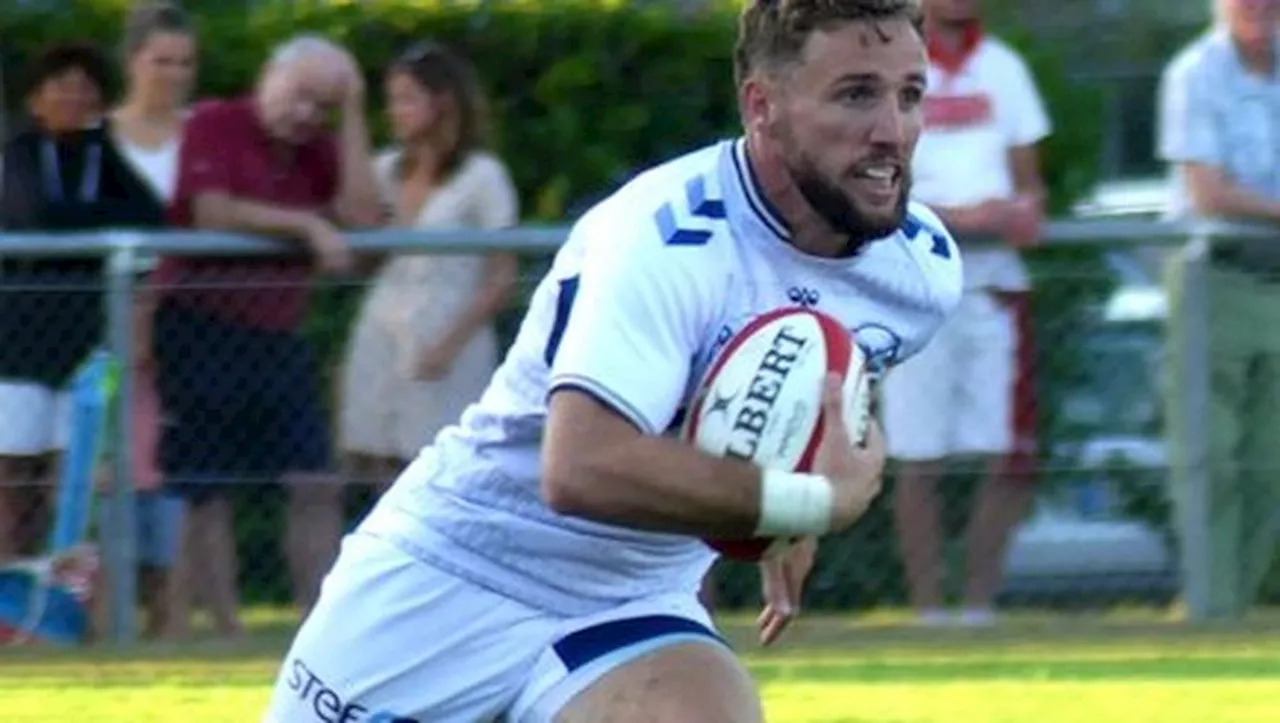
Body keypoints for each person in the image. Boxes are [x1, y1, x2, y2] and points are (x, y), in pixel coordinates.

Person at [263, 1, 962, 721]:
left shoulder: (920, 270)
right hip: (456, 571)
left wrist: (785, 500)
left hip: (630, 602)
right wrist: (807, 500)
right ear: (764, 106)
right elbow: (579, 466)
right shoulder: (665, 239)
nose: (892, 132)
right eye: (856, 95)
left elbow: (793, 399)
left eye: (909, 95)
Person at [149, 35, 382, 637]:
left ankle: (322, 625)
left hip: (279, 334)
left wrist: (354, 106)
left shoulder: (319, 147)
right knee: (207, 488)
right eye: (300, 95)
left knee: (316, 482)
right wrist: (304, 224)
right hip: (199, 326)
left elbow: (363, 218)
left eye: (321, 106)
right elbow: (212, 212)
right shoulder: (215, 121)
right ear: (269, 76)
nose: (306, 114)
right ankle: (227, 631)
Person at [879, 0, 1051, 627]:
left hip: (995, 291)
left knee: (1007, 454)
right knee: (917, 456)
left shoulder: (1005, 69)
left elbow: (1029, 182)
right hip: (914, 293)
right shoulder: (889, 69)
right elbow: (878, 188)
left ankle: (977, 608)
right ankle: (929, 613)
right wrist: (963, 219)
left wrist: (1023, 210)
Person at [0, 41, 166, 560]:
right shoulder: (19, 154)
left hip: (85, 344)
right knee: (12, 472)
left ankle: (61, 588)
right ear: (35, 99)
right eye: (61, 86)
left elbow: (149, 215)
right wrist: (99, 224)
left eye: (85, 88)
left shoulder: (104, 154)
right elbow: (36, 217)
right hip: (17, 343)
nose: (74, 97)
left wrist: (81, 223)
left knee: (70, 475)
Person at [339, 41, 518, 490]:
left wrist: (448, 345)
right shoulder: (384, 171)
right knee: (375, 461)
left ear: (440, 103)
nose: (395, 112)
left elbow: (501, 276)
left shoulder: (481, 176)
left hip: (448, 340)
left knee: (441, 467)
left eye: (406, 99)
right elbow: (360, 252)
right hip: (382, 332)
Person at [1158, 0, 1280, 620]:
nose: (1260, 6)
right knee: (1213, 456)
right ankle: (1210, 608)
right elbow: (1209, 191)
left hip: (1278, 281)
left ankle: (1229, 609)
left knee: (1271, 467)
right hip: (1216, 277)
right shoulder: (1195, 72)